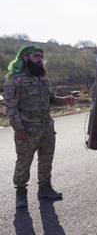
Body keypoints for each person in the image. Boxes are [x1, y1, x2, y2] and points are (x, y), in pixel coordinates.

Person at [3, 45, 77, 208]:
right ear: (25, 57)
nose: (40, 59)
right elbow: (11, 107)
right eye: (36, 56)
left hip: (47, 127)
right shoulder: (14, 79)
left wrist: (64, 100)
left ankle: (45, 188)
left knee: (46, 160)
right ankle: (21, 193)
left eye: (41, 57)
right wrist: (18, 128)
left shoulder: (43, 78)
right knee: (24, 161)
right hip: (26, 129)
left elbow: (51, 99)